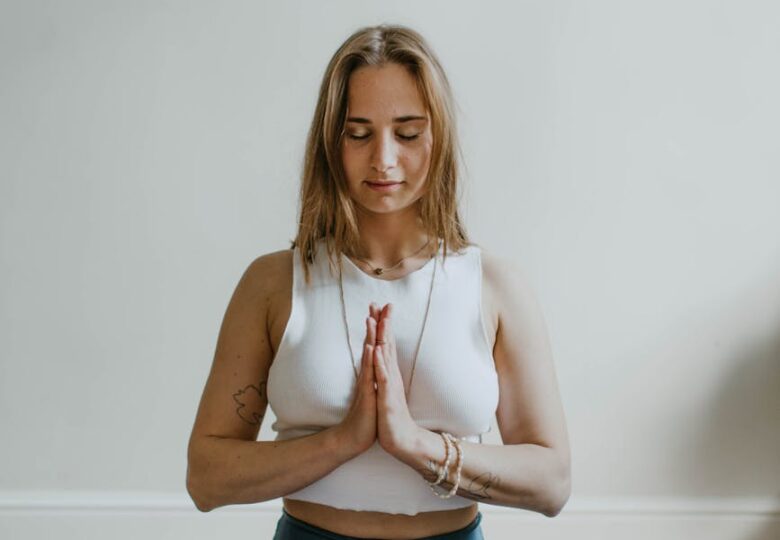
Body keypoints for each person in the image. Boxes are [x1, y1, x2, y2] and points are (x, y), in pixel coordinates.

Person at [186, 23, 571, 539]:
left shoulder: (495, 287)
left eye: (408, 133)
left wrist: (413, 443)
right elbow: (206, 479)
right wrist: (342, 441)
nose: (384, 159)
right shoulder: (273, 283)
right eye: (359, 133)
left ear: (438, 137)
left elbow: (552, 482)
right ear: (331, 142)